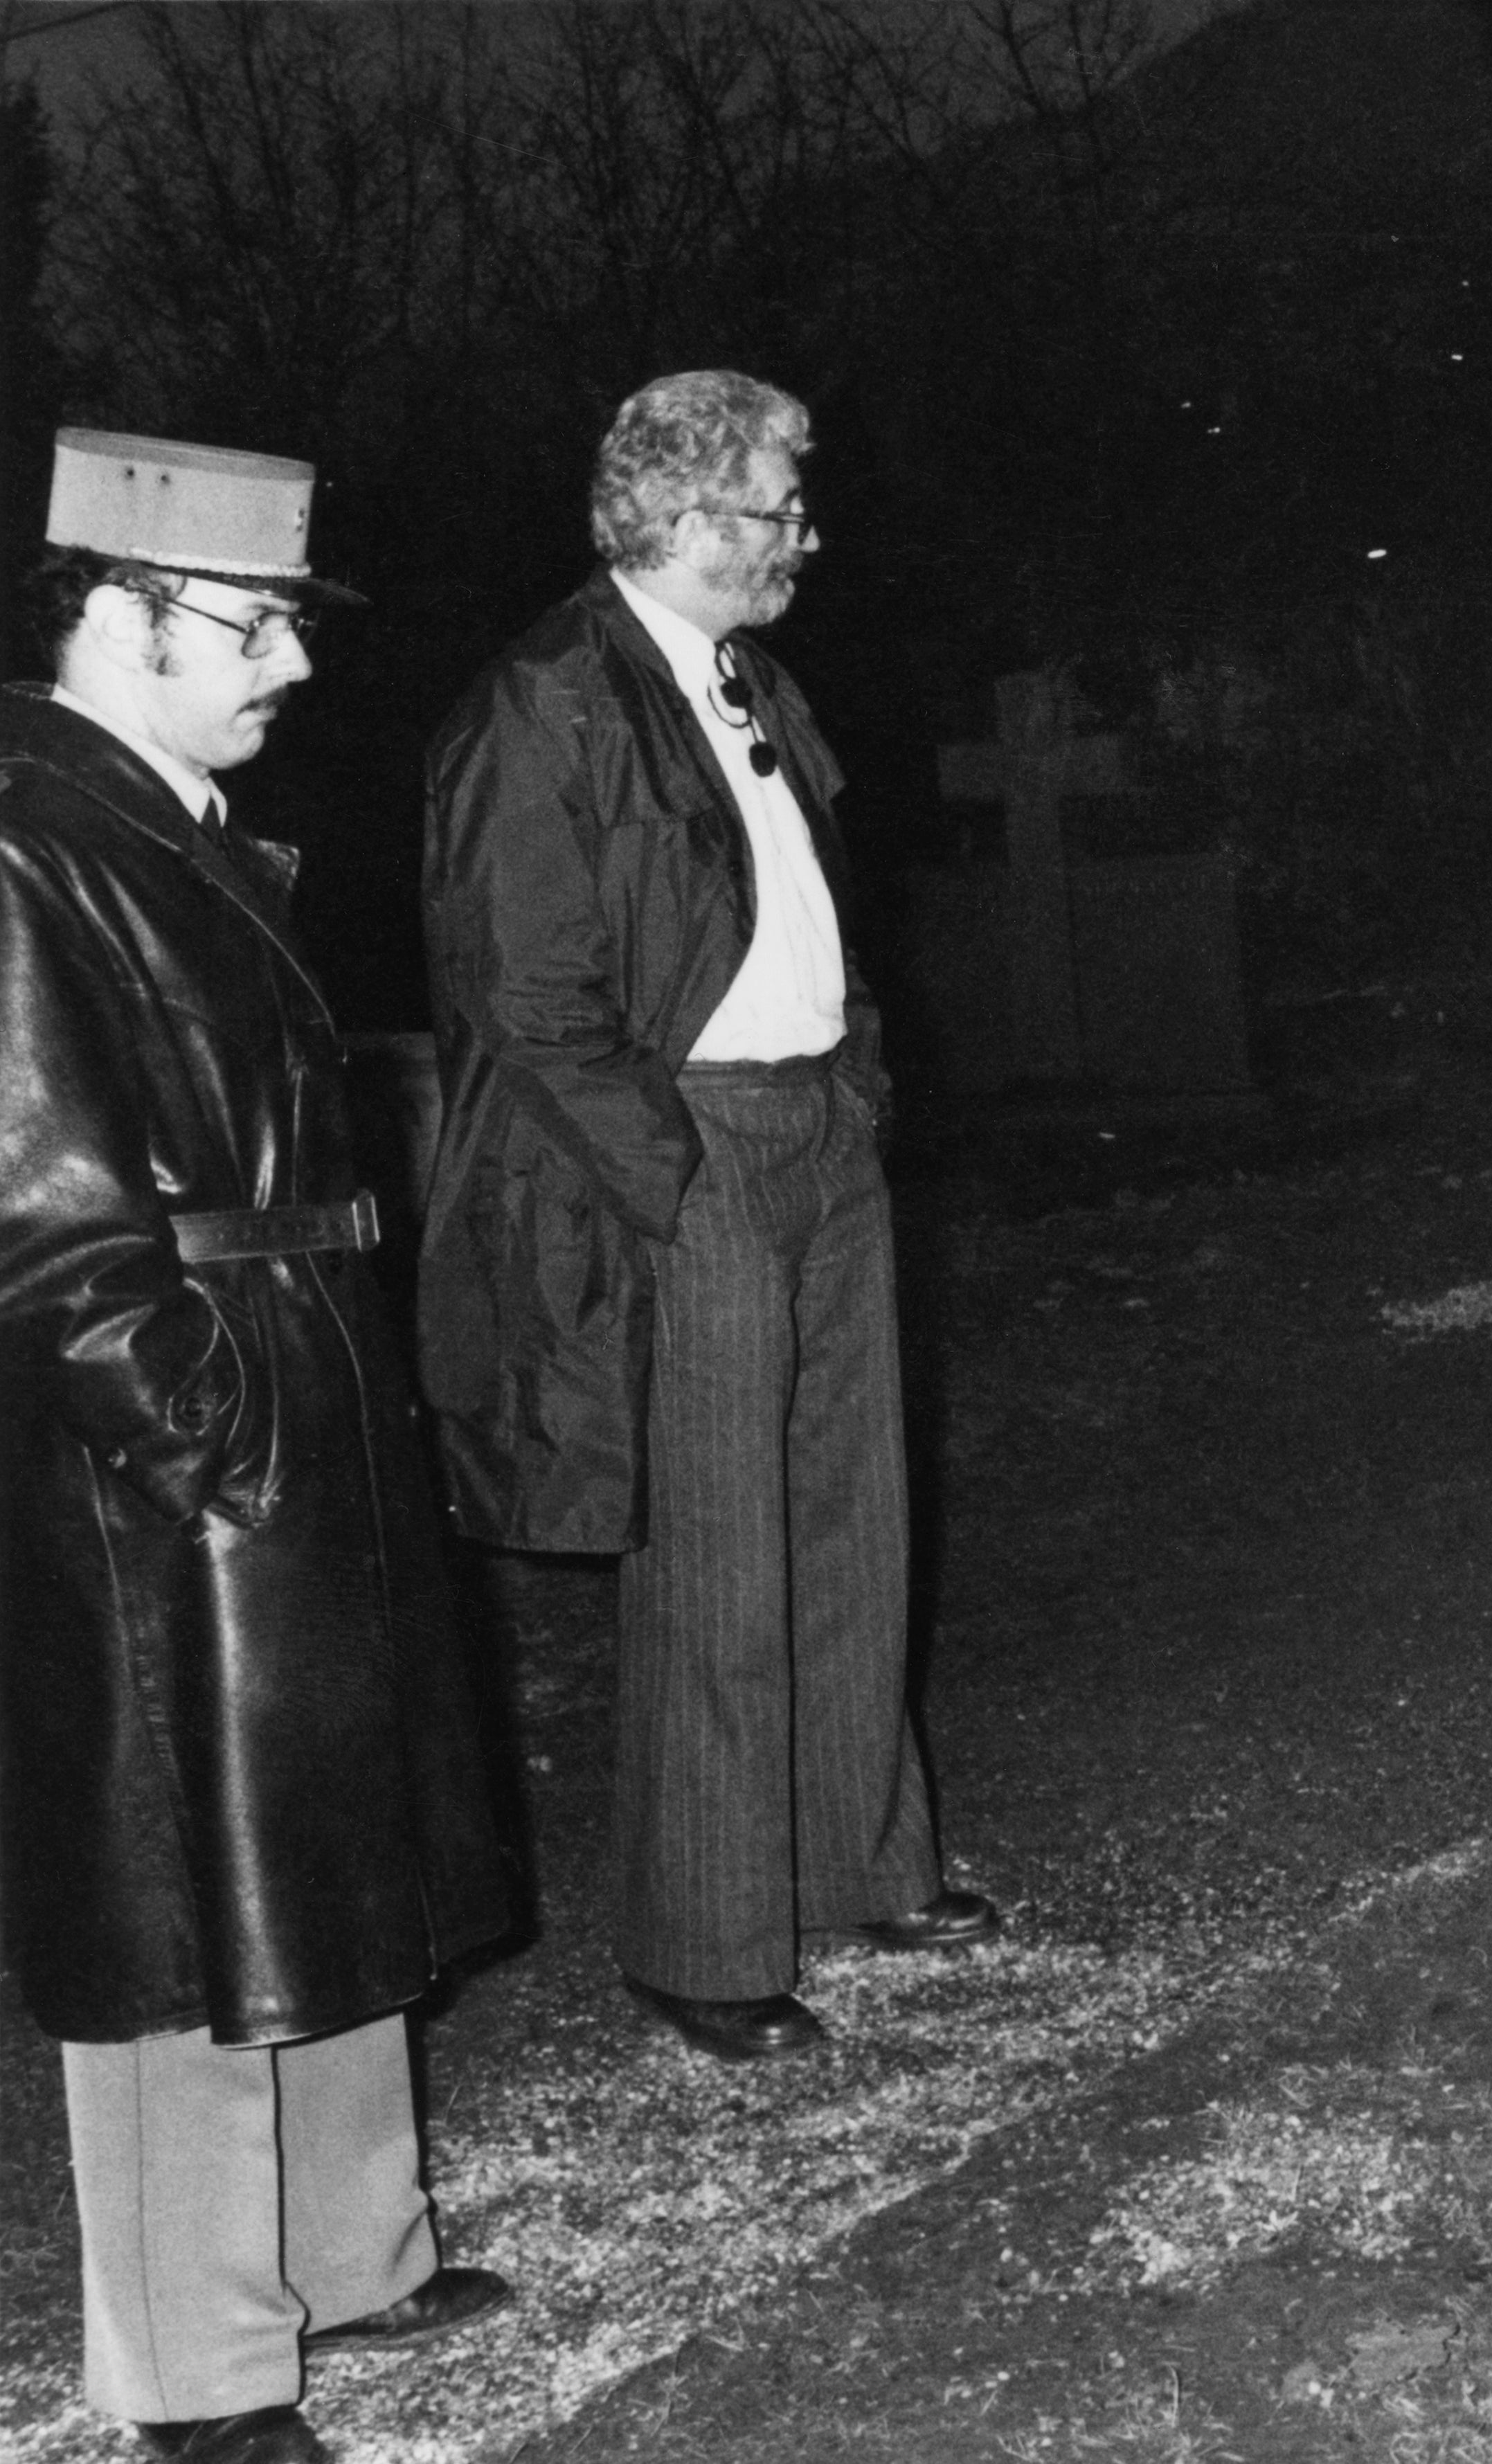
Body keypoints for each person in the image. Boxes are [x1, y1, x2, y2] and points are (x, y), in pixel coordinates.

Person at [0, 430, 513, 2464]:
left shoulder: (169, 821)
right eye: (250, 619)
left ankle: (353, 2251)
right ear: (111, 616)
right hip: (180, 1445)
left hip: (292, 1383)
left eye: (294, 618)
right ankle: (200, 2372)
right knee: (184, 1899)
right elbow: (39, 1219)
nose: (288, 660)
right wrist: (198, 1433)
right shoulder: (27, 839)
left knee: (327, 1834)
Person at [415, 370, 995, 2066]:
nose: (798, 538)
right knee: (720, 1552)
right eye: (772, 509)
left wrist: (859, 1083)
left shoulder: (742, 670)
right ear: (670, 516)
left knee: (849, 1508)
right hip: (694, 1151)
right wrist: (669, 1176)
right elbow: (522, 993)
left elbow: (808, 902)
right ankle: (708, 1936)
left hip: (816, 1122)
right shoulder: (548, 700)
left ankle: (858, 1859)